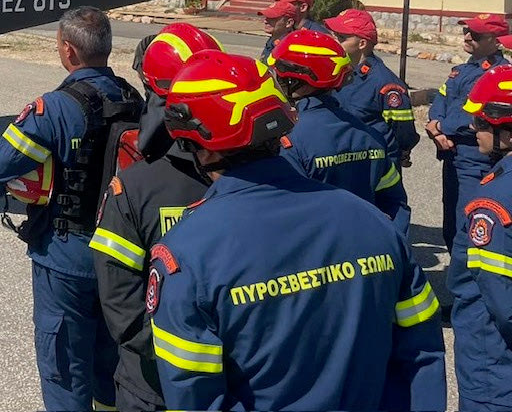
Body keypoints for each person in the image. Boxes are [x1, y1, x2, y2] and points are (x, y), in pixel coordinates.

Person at [149, 49, 446, 411]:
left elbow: (192, 393)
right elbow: (421, 355)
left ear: (206, 151)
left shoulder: (186, 254)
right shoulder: (373, 222)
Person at [0, 6, 133, 412]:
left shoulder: (55, 108)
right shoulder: (135, 100)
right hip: (125, 256)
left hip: (67, 258)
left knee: (65, 370)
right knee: (113, 367)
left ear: (68, 50)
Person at [90, 23, 220, 412]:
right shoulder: (246, 172)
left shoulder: (135, 186)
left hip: (152, 381)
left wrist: (178, 352)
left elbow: (121, 304)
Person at [269, 29, 409, 232]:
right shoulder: (371, 136)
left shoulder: (288, 141)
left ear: (294, 80)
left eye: (277, 75)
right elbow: (394, 204)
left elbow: (281, 216)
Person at [450, 64, 512, 410]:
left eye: (482, 122)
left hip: (495, 368)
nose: (473, 128)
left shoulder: (493, 203)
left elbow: (504, 305)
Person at [427, 13, 509, 249]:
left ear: (495, 40)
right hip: (451, 153)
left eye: (476, 34)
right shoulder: (461, 70)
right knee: (451, 221)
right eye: (466, 31)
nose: (467, 37)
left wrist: (442, 127)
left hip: (476, 158)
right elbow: (441, 99)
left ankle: (465, 271)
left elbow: (477, 115)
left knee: (469, 225)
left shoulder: (499, 74)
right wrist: (436, 129)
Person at [326, 7, 419, 167]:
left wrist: (399, 153)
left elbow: (403, 131)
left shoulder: (385, 83)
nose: (335, 41)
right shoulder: (340, 71)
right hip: (343, 159)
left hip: (375, 165)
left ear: (362, 43)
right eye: (335, 35)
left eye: (341, 38)